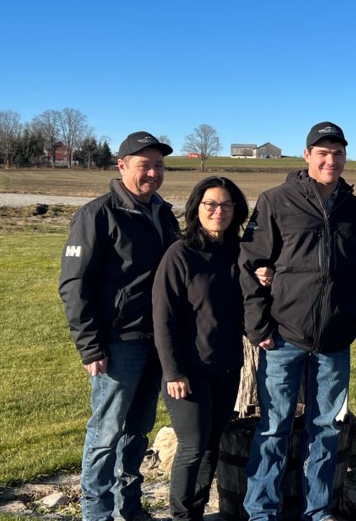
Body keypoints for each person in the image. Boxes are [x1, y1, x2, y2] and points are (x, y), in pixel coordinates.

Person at [238, 121, 356, 521]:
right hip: (283, 337)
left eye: (338, 153)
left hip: (334, 339)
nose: (331, 159)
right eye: (323, 152)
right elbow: (251, 264)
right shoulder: (276, 200)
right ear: (307, 155)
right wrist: (259, 327)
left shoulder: (355, 209)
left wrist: (355, 316)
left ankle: (319, 511)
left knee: (327, 430)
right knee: (274, 429)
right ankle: (261, 512)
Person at [59, 131, 179, 521]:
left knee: (138, 429)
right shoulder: (97, 214)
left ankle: (129, 504)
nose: (153, 173)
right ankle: (96, 511)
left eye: (159, 165)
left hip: (157, 341)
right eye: (145, 165)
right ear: (122, 165)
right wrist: (91, 346)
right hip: (118, 342)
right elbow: (74, 285)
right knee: (106, 431)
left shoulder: (163, 213)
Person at [152, 176, 250, 521]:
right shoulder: (180, 254)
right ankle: (181, 515)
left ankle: (194, 511)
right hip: (188, 371)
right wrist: (173, 371)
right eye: (210, 204)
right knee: (192, 446)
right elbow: (162, 318)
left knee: (211, 447)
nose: (218, 211)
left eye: (225, 204)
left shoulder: (238, 253)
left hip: (226, 366)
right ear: (197, 207)